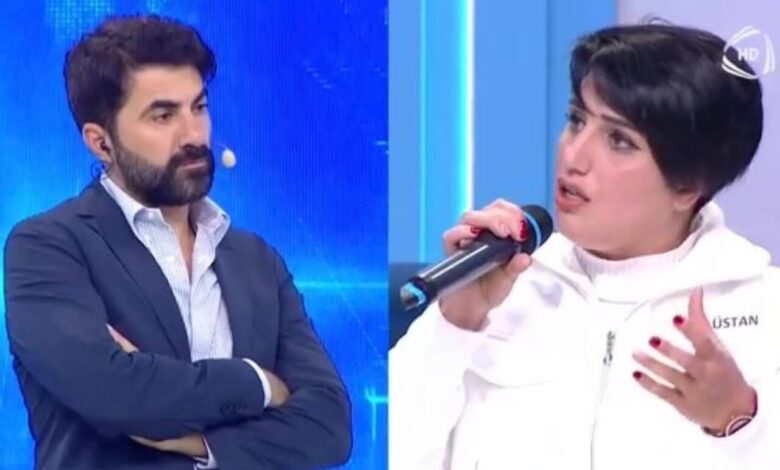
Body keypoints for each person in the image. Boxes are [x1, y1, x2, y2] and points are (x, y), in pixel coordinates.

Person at [390, 23, 780, 470]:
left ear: (688, 185)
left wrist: (738, 423)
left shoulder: (767, 311)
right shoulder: (500, 287)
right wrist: (455, 326)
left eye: (619, 140)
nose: (573, 155)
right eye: (576, 120)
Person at [4, 15, 351, 470]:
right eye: (163, 116)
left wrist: (200, 443)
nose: (193, 136)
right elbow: (115, 394)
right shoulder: (48, 247)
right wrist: (259, 384)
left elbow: (330, 427)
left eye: (199, 108)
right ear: (101, 142)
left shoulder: (256, 261)